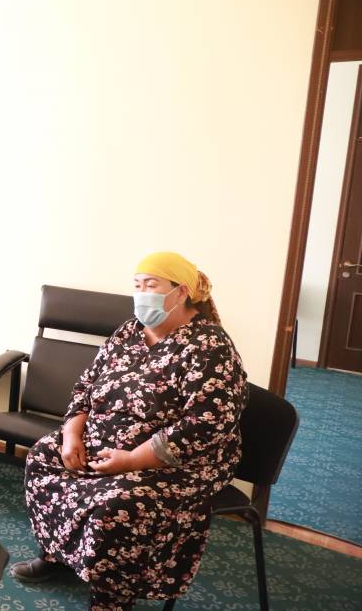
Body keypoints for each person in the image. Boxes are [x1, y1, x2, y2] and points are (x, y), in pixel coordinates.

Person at [13, 252, 247, 611]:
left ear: (181, 291)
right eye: (137, 285)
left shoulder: (209, 346)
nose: (141, 293)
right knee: (43, 458)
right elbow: (86, 386)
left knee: (118, 505)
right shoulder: (128, 332)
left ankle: (111, 598)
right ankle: (57, 554)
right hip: (105, 440)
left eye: (151, 285)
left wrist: (134, 460)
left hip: (176, 460)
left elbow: (208, 422)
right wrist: (71, 435)